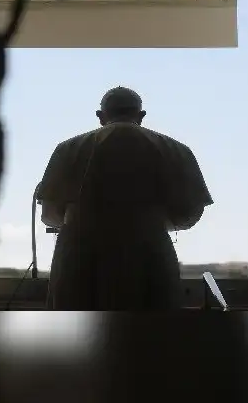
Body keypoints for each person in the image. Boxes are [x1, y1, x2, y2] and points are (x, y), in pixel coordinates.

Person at [36, 86, 214, 310]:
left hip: (80, 258)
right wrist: (153, 223)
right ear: (141, 116)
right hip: (149, 254)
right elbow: (191, 214)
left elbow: (50, 214)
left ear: (100, 117)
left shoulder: (68, 149)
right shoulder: (175, 149)